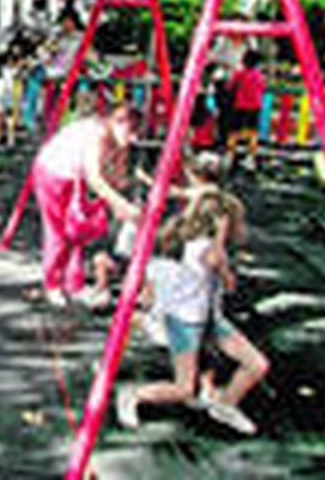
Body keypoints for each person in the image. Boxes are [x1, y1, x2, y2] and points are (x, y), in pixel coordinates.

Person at [117, 152, 269, 436]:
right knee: (184, 388)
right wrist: (221, 242)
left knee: (257, 365)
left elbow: (226, 280)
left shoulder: (203, 228)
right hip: (185, 321)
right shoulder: (205, 249)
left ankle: (224, 404)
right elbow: (226, 279)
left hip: (209, 317)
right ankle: (132, 395)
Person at [32, 102, 141, 307]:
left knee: (79, 227)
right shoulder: (96, 135)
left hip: (75, 177)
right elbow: (95, 178)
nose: (133, 138)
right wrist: (120, 204)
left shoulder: (118, 139)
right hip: (52, 173)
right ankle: (52, 284)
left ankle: (73, 282)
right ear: (116, 123)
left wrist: (121, 198)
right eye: (131, 131)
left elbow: (117, 176)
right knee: (57, 231)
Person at [226, 49, 266, 160]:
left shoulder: (239, 73)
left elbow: (229, 86)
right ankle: (251, 156)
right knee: (253, 132)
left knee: (234, 130)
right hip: (255, 106)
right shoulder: (259, 75)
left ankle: (230, 153)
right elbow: (263, 88)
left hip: (241, 105)